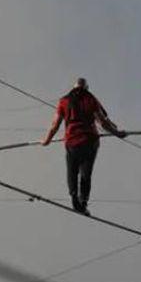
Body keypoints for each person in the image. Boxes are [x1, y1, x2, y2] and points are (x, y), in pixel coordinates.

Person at [41, 78, 127, 215]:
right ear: (86, 88)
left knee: (72, 170)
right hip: (89, 141)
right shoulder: (90, 98)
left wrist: (46, 140)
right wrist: (116, 133)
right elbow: (102, 122)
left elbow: (54, 125)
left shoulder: (63, 101)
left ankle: (74, 195)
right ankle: (83, 201)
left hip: (71, 141)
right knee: (86, 173)